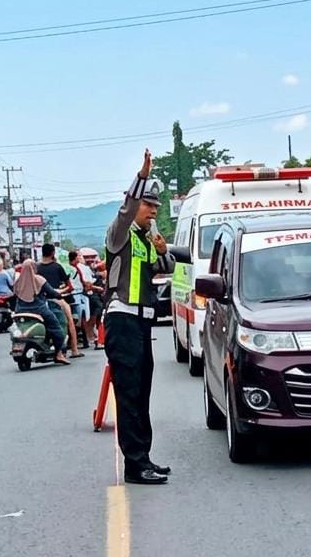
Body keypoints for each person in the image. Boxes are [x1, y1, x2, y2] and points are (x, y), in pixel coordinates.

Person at [104, 149, 177, 485]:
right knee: (129, 393)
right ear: (136, 206)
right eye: (149, 206)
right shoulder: (119, 234)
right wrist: (142, 176)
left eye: (156, 208)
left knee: (142, 392)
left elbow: (164, 270)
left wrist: (164, 252)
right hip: (121, 319)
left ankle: (143, 458)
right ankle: (134, 465)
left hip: (141, 323)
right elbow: (125, 211)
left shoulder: (146, 240)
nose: (153, 212)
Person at [12, 259, 70, 365]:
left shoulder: (17, 281)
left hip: (19, 311)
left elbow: (14, 296)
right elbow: (51, 292)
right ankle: (59, 354)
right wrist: (59, 295)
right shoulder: (39, 280)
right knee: (56, 328)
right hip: (39, 310)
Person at [37, 244, 83, 358]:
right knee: (70, 322)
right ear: (53, 253)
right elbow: (70, 286)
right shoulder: (57, 267)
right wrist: (61, 290)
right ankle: (74, 349)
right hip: (56, 299)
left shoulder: (36, 268)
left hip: (40, 301)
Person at [69, 250, 97, 347]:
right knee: (79, 319)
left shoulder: (77, 268)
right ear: (75, 258)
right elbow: (85, 282)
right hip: (77, 295)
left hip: (76, 295)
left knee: (79, 318)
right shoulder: (75, 269)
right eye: (79, 257)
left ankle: (83, 340)